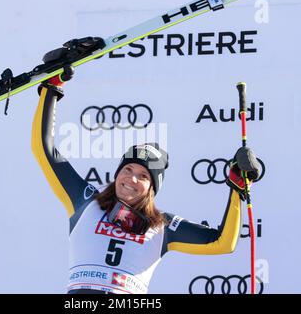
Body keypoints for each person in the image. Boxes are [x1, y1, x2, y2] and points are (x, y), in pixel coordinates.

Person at [31, 66, 261, 294]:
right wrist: (51, 89)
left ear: (152, 187)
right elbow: (44, 150)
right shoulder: (86, 199)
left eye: (143, 176)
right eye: (128, 168)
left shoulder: (163, 226)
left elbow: (223, 242)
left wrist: (236, 186)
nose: (131, 178)